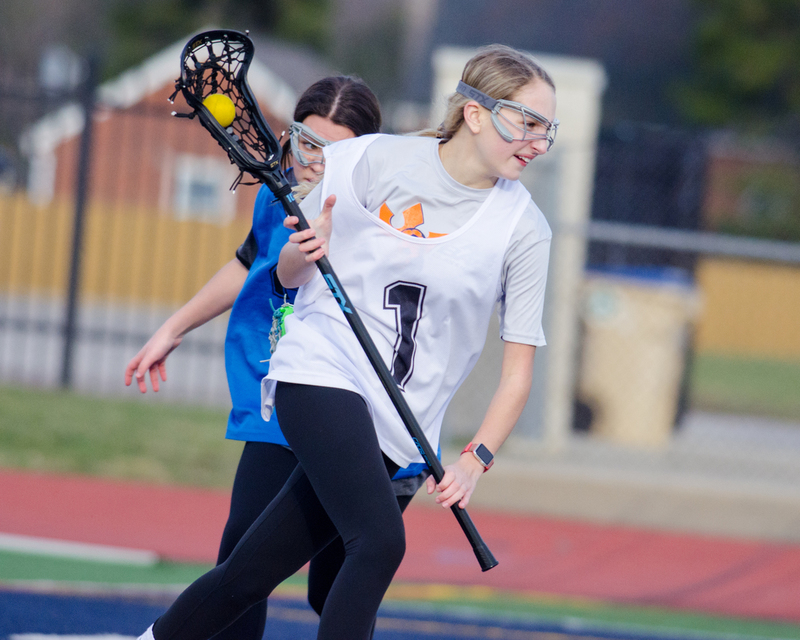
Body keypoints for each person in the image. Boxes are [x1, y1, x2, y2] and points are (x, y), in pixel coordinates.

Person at [136, 43, 557, 640]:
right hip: (321, 369)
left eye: (548, 130)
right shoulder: (368, 160)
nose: (538, 143)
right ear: (476, 113)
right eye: (528, 122)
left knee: (249, 574)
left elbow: (518, 372)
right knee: (380, 542)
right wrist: (301, 256)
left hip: (398, 419)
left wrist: (477, 456)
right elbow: (281, 274)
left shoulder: (524, 228)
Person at [124, 76, 426, 639]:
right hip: (280, 395)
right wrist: (175, 326)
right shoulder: (276, 192)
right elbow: (249, 265)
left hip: (355, 409)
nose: (313, 160)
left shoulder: (385, 218)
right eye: (306, 142)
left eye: (332, 150)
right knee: (244, 557)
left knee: (334, 581)